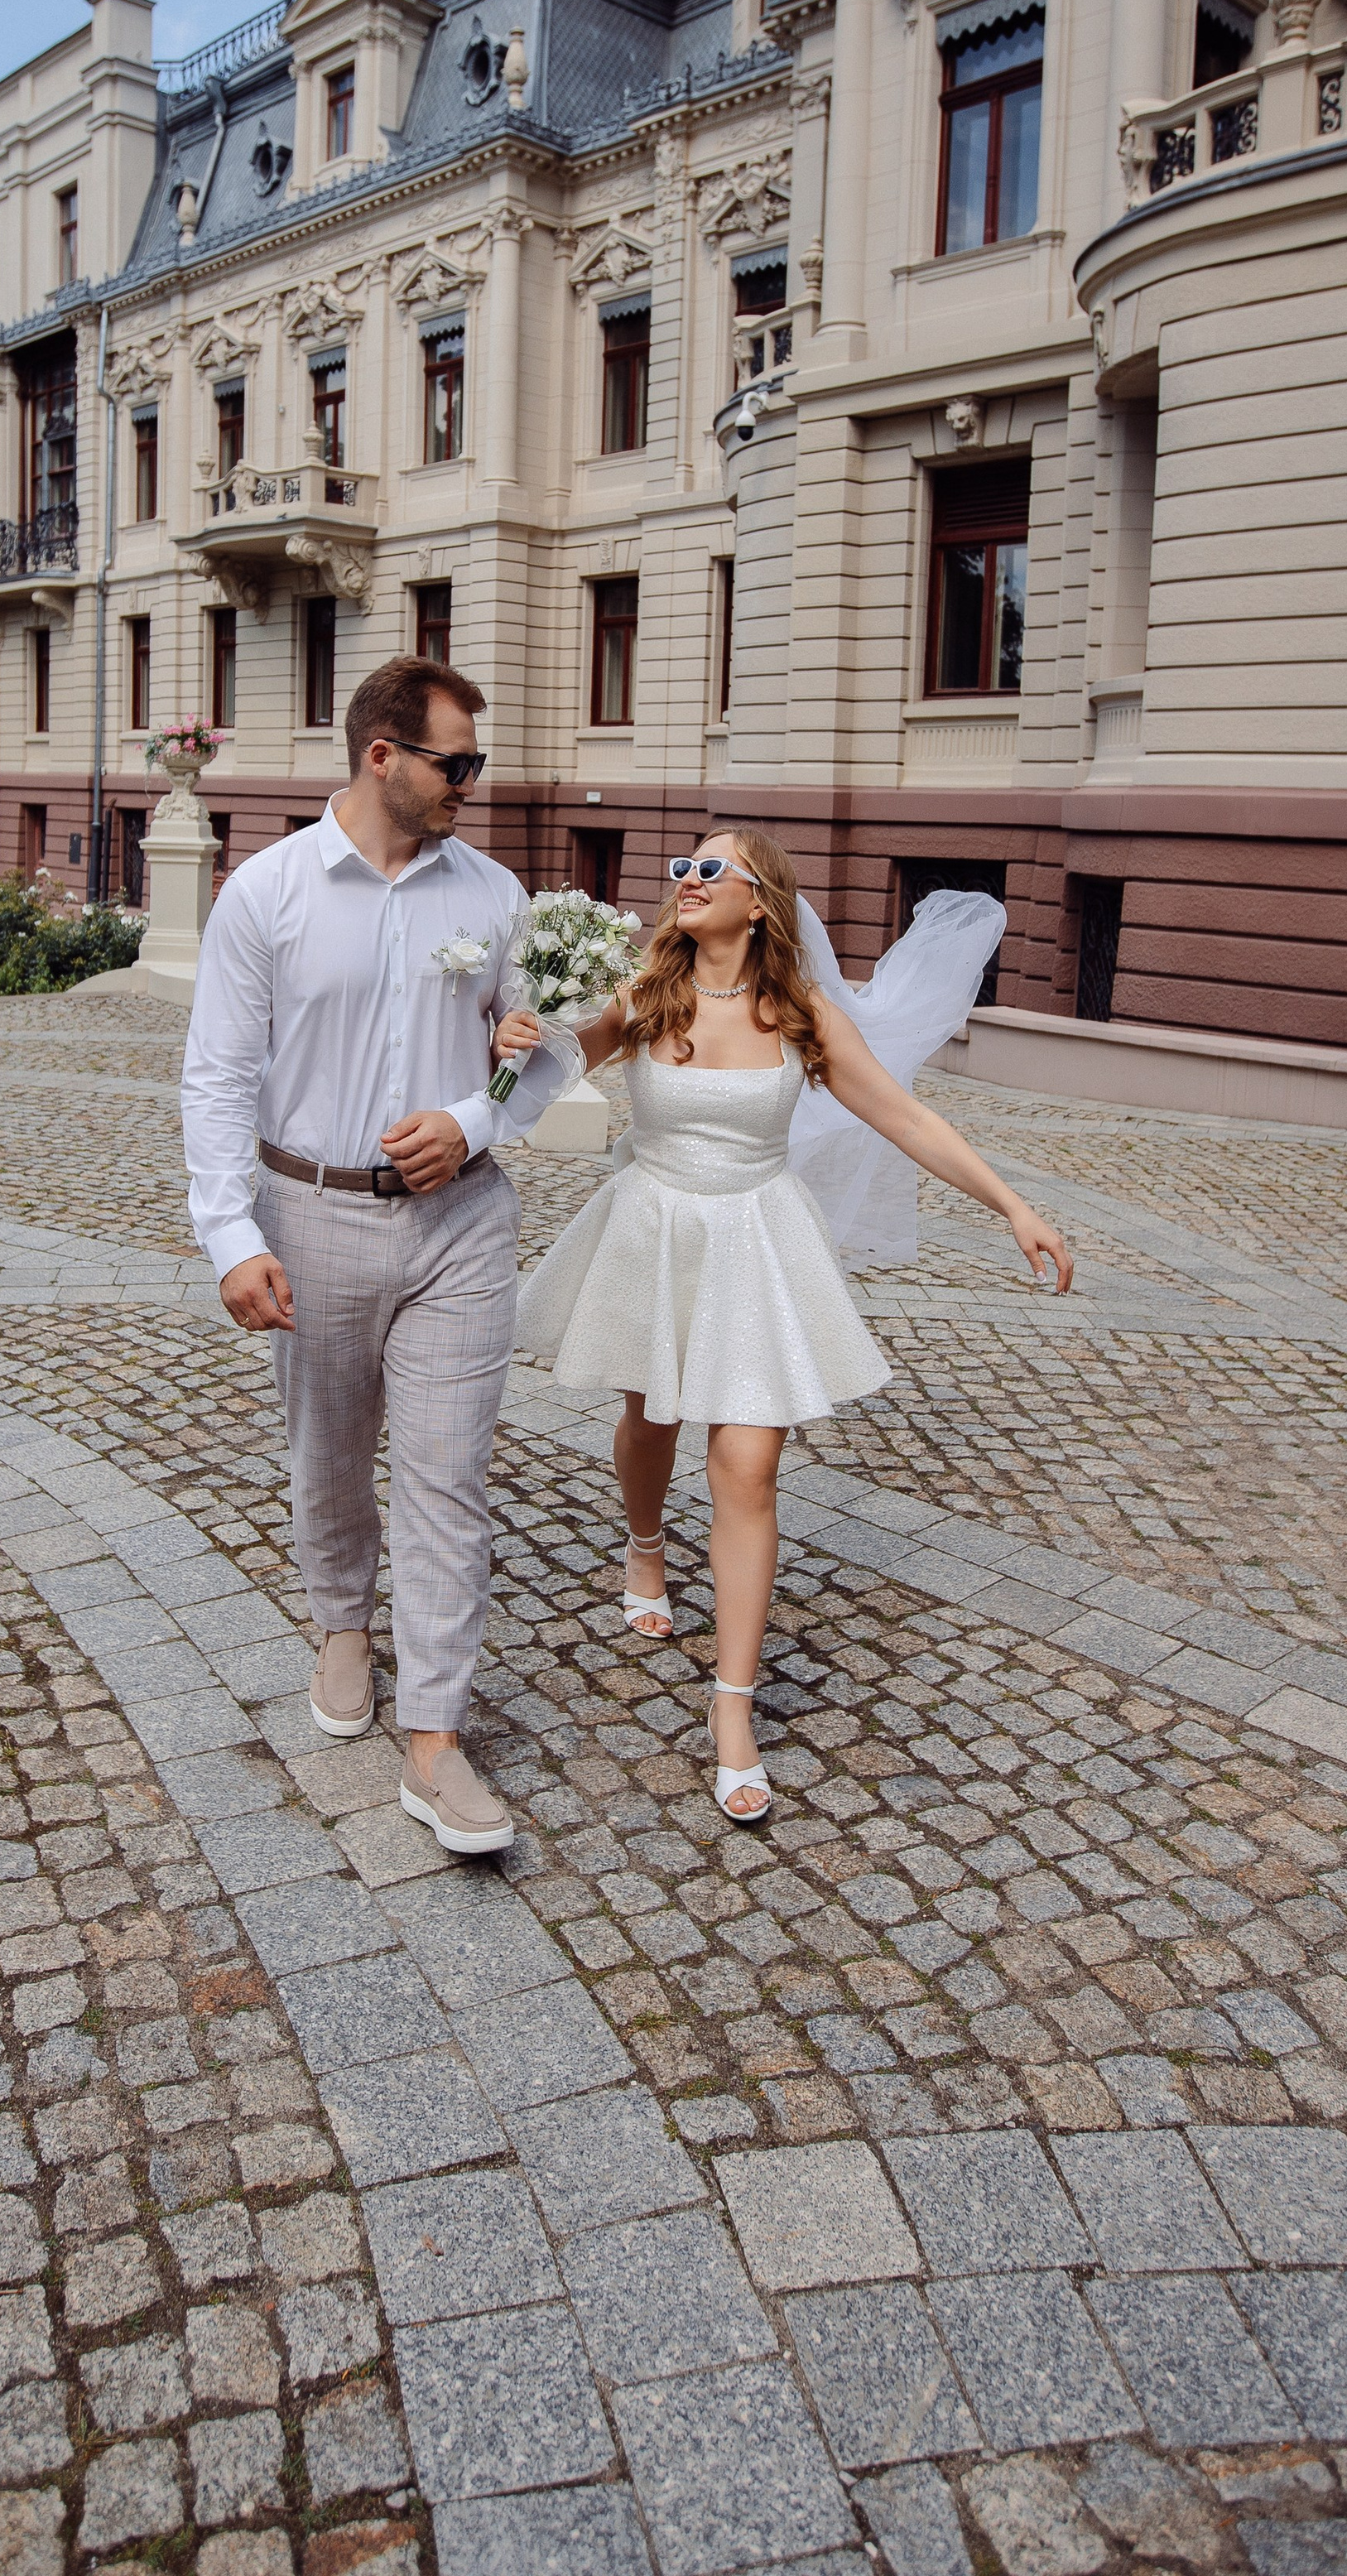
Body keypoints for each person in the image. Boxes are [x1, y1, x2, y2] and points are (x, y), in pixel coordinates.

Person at [504, 827, 1071, 1822]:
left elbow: (906, 1119)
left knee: (749, 1465)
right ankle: (645, 1544)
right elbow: (548, 1071)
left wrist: (1013, 1206)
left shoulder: (802, 1014)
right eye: (681, 868)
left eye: (709, 869)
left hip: (755, 1236)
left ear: (759, 899)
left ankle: (732, 1707)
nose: (686, 881)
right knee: (651, 1417)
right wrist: (521, 1038)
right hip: (655, 1229)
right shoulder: (644, 995)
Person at [181, 655, 566, 1856]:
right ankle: (342, 1624)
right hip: (313, 1215)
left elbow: (543, 1054)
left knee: (448, 1479)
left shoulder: (494, 893)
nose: (472, 783)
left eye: (477, 763)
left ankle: (436, 1741)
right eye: (458, 762)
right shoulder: (267, 892)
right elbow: (217, 1075)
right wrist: (231, 1235)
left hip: (462, 1225)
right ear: (382, 755)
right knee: (332, 1453)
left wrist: (476, 1118)